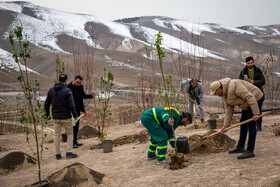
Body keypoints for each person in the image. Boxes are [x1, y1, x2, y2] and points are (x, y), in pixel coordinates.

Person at [210, 77, 264, 159]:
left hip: (255, 98)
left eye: (215, 93)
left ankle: (250, 150)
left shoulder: (234, 85)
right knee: (243, 123)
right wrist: (226, 125)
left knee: (251, 124)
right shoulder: (224, 95)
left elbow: (249, 96)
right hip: (246, 104)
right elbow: (229, 110)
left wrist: (256, 113)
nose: (216, 95)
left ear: (219, 89)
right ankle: (240, 147)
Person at [44, 74, 78, 160]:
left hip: (56, 117)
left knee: (56, 135)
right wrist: (75, 115)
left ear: (58, 80)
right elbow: (71, 105)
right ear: (66, 81)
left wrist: (46, 114)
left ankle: (57, 154)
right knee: (70, 134)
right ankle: (69, 152)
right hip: (66, 117)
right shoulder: (67, 91)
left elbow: (47, 103)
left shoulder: (51, 90)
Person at [67, 75, 95, 148]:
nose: (78, 84)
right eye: (77, 82)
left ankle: (75, 141)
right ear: (74, 80)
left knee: (76, 126)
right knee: (71, 127)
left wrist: (91, 96)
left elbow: (83, 96)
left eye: (79, 83)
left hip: (78, 110)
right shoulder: (68, 87)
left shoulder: (80, 87)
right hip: (70, 110)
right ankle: (71, 143)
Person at [239, 56, 265, 131]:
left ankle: (259, 124)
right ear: (246, 63)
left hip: (258, 93)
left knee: (258, 110)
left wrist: (253, 82)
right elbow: (239, 82)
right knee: (248, 110)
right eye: (248, 63)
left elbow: (263, 81)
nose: (250, 64)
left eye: (251, 63)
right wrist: (244, 82)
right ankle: (248, 125)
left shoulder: (258, 70)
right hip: (247, 94)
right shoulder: (243, 71)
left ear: (253, 62)